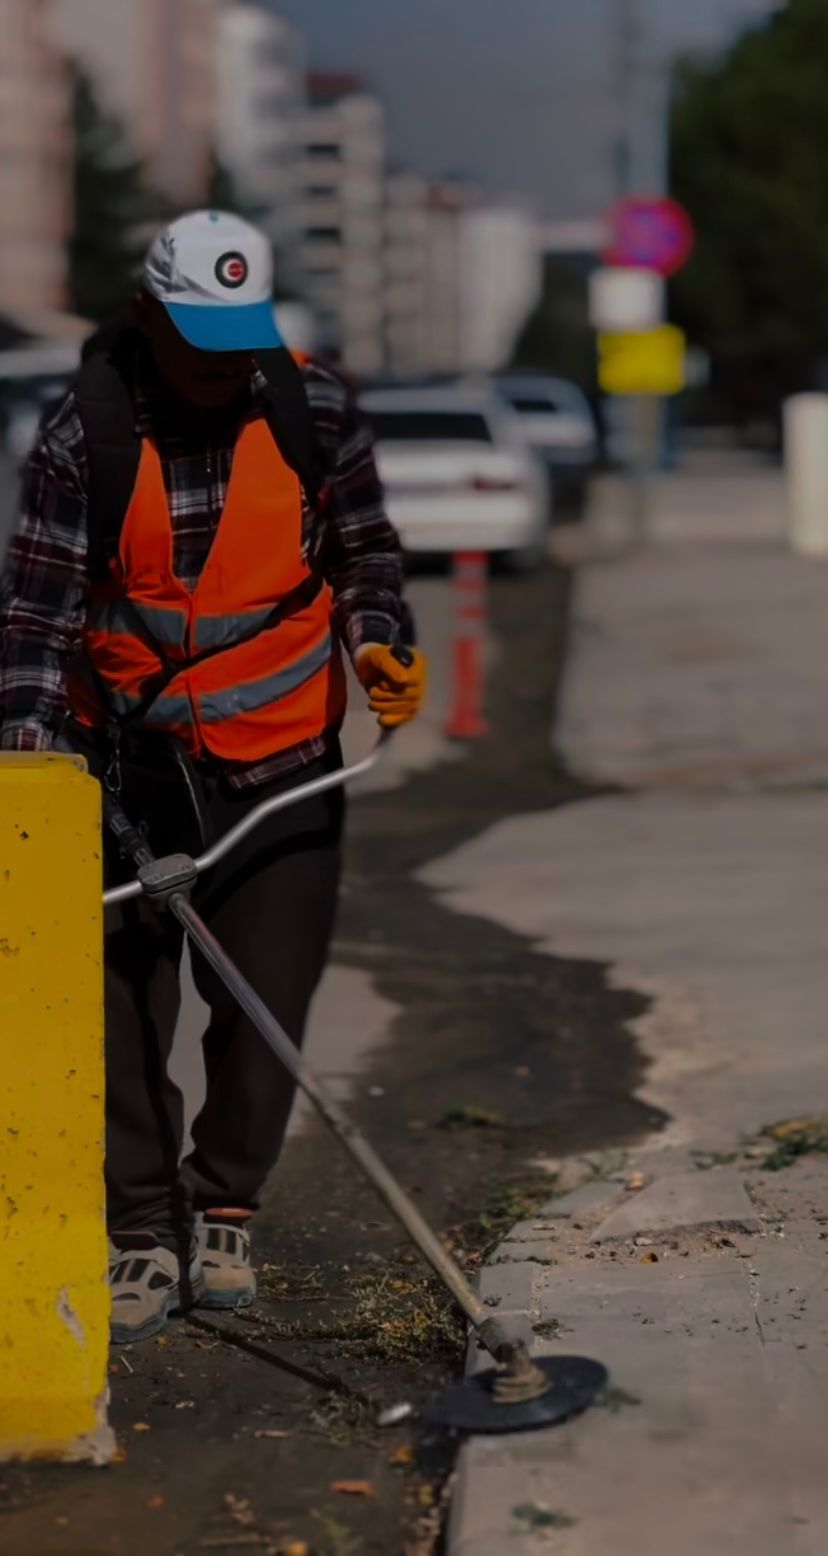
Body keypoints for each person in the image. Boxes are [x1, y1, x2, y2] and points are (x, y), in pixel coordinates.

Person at [0, 211, 426, 1343]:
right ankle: (142, 1227)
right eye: (195, 338)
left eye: (237, 337)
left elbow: (366, 552)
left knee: (260, 1000)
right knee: (120, 1002)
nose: (219, 363)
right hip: (128, 758)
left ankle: (223, 1205)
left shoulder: (312, 407)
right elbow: (38, 618)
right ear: (146, 316)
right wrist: (30, 763)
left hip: (282, 757)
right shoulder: (81, 432)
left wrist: (379, 634)